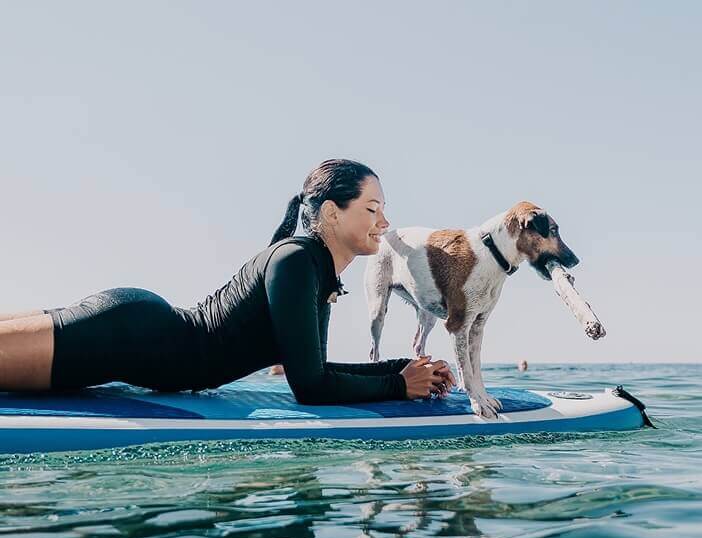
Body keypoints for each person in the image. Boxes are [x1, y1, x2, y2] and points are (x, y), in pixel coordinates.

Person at [0, 159, 455, 404]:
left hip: (132, 335)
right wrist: (398, 385)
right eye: (372, 209)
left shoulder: (316, 269)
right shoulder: (296, 262)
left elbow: (315, 370)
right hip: (123, 337)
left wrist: (404, 369)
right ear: (332, 213)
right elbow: (311, 389)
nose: (384, 222)